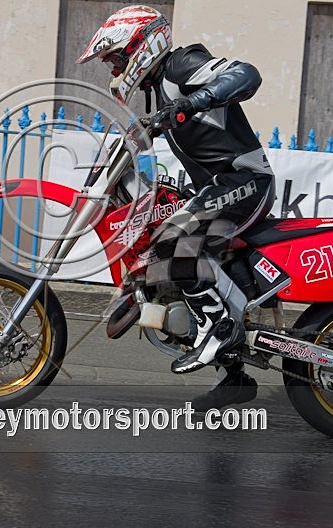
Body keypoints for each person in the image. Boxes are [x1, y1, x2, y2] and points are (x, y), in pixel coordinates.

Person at [77, 5, 276, 409]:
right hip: (220, 187)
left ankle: (218, 329)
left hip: (245, 183)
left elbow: (246, 74)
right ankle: (234, 376)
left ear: (141, 45)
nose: (115, 69)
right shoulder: (157, 89)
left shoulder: (182, 66)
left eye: (116, 58)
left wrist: (193, 101)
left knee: (175, 238)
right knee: (171, 250)